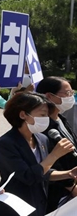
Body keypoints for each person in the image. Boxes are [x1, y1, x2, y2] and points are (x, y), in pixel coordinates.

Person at [0, 91, 77, 216]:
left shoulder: (41, 138)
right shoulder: (6, 143)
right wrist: (54, 155)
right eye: (42, 115)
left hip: (38, 205)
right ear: (23, 115)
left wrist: (68, 174)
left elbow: (43, 172)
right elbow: (28, 176)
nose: (46, 119)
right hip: (15, 208)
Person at [35, 76, 77, 211]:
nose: (71, 97)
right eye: (67, 93)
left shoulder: (62, 119)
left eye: (72, 93)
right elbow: (52, 162)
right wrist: (71, 186)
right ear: (49, 96)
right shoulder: (43, 126)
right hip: (58, 192)